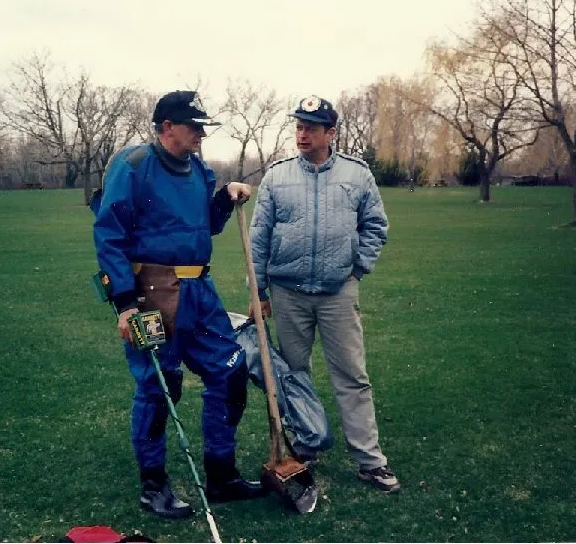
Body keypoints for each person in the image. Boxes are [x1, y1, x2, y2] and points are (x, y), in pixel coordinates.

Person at [91, 90, 266, 520]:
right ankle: (154, 486)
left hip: (200, 292)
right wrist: (126, 306)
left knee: (231, 371)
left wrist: (225, 198)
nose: (201, 135)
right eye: (194, 126)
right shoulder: (133, 167)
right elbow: (109, 235)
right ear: (167, 126)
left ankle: (221, 475)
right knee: (159, 386)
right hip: (151, 293)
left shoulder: (200, 171)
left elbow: (205, 225)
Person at [248, 95, 399, 493]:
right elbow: (258, 239)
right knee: (293, 377)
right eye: (298, 127)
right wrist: (258, 291)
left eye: (311, 128)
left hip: (337, 294)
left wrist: (356, 269)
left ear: (330, 133)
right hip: (287, 294)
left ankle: (370, 461)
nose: (302, 134)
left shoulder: (357, 175)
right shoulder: (277, 177)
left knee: (352, 376)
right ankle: (305, 446)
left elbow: (375, 226)